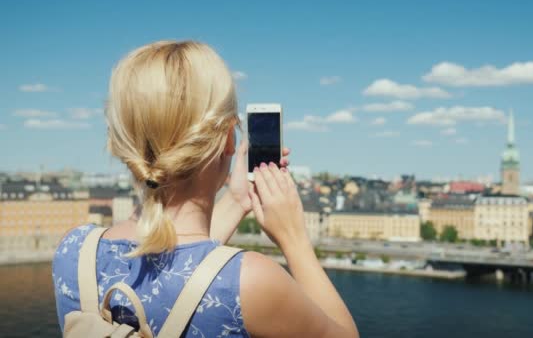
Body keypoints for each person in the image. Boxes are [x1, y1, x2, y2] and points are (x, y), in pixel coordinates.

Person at [52, 40, 359, 338]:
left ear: (121, 140)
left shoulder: (74, 250)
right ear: (228, 139)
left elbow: (188, 267)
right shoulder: (251, 282)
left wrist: (238, 199)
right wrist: (295, 240)